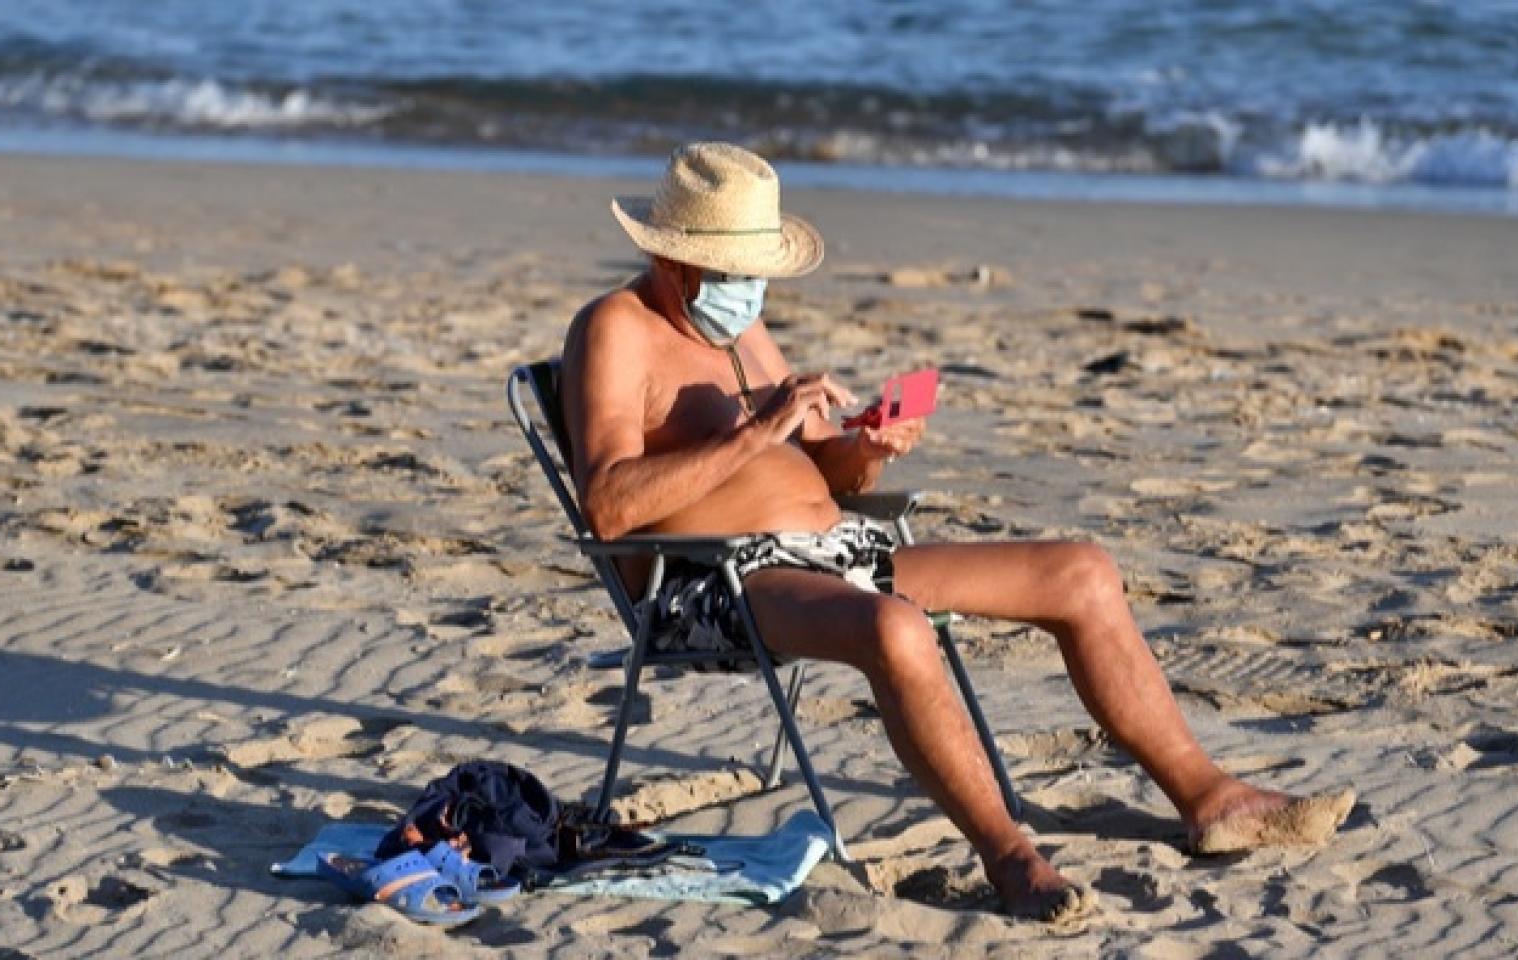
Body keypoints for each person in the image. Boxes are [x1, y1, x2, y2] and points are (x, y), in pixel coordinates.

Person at [560, 142, 1354, 922]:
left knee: (1082, 572)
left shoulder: (739, 329)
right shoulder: (615, 330)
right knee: (897, 629)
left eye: (756, 272)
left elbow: (823, 472)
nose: (749, 290)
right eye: (734, 273)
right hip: (716, 581)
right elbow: (609, 505)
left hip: (836, 552)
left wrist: (866, 450)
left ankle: (1209, 798)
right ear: (674, 261)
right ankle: (1008, 857)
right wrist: (755, 433)